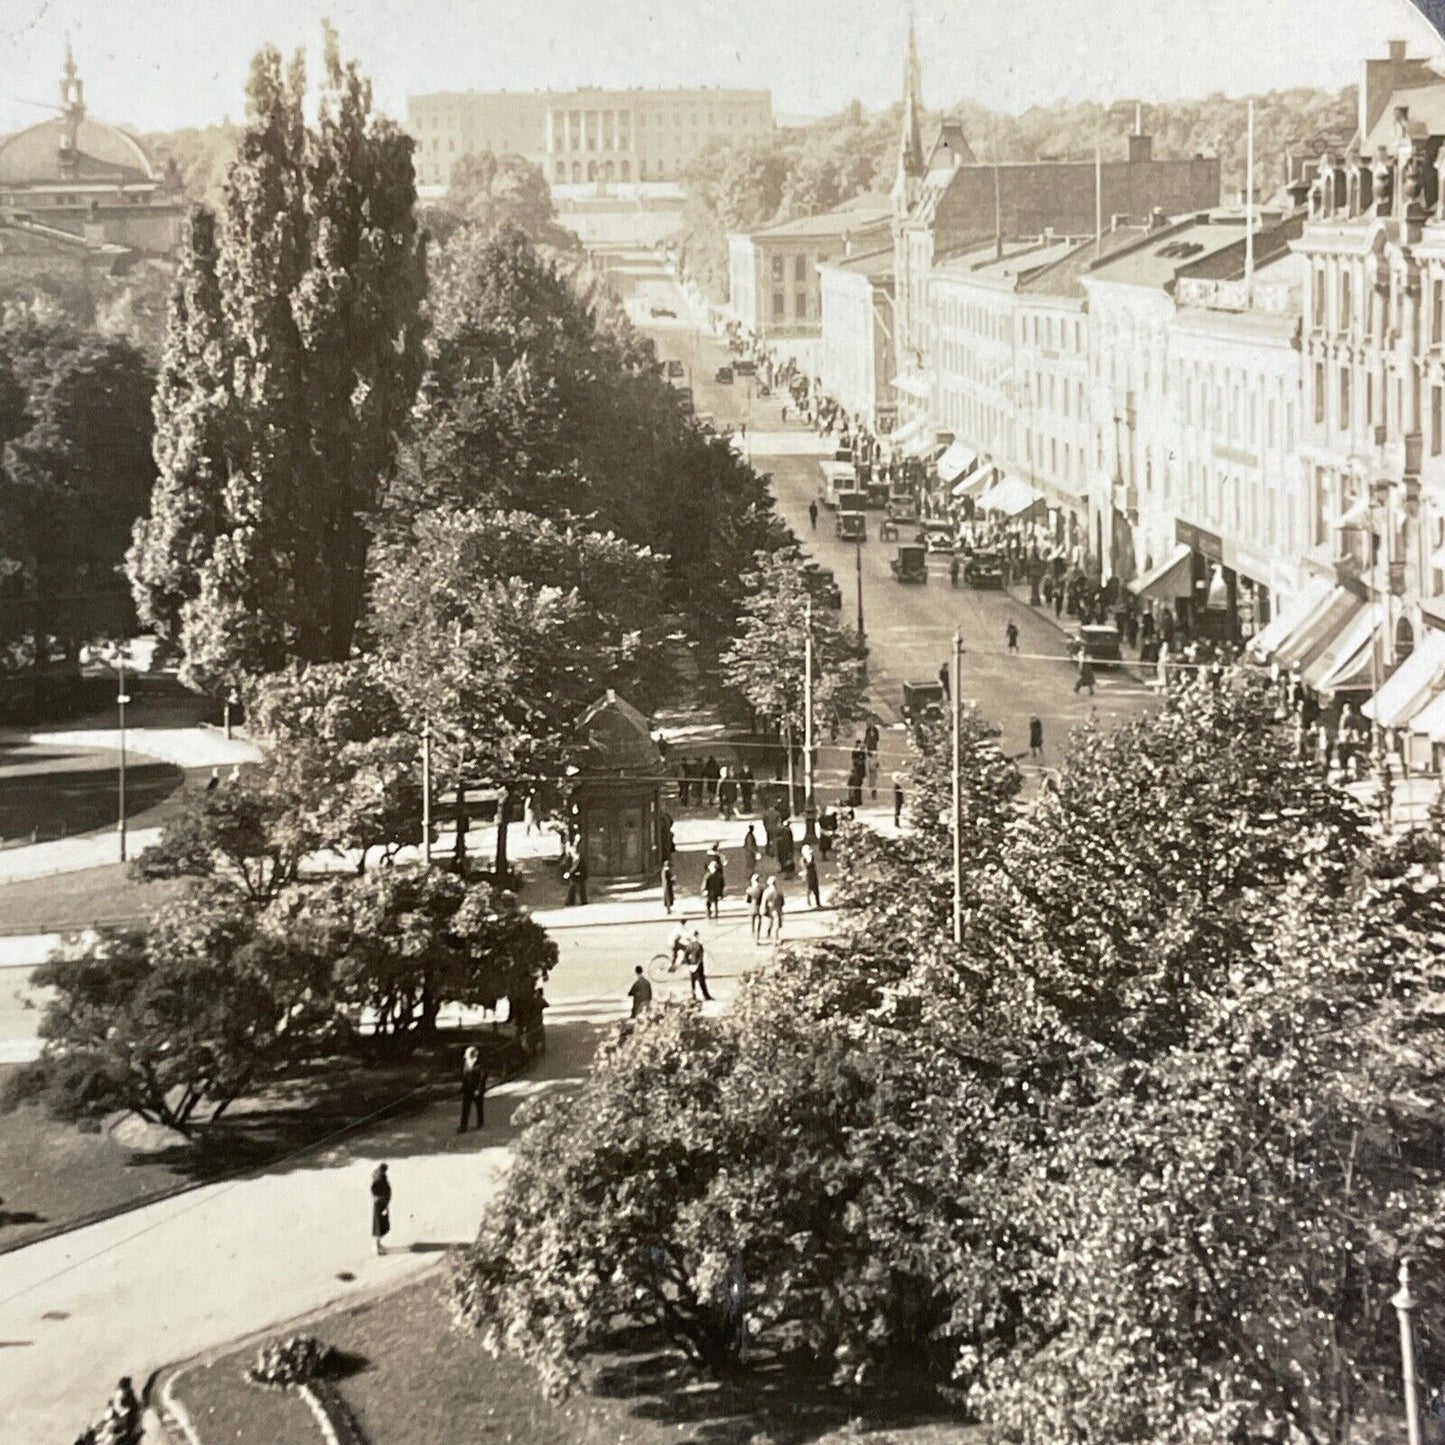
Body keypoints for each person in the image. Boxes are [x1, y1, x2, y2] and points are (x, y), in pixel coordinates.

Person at [459, 1045, 486, 1132]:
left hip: (476, 1089)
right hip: (468, 1089)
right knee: (465, 1108)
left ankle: (480, 1123)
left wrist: (479, 1089)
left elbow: (482, 1077)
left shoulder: (479, 1064)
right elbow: (464, 1076)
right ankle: (463, 1126)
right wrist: (463, 1087)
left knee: (479, 1107)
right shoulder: (466, 1063)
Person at [686, 929, 713, 1002]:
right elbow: (701, 956)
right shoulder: (699, 945)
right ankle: (706, 996)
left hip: (691, 966)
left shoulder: (689, 945)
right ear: (697, 936)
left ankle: (693, 996)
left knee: (693, 982)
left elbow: (686, 955)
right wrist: (697, 965)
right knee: (702, 982)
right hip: (698, 967)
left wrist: (689, 964)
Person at [370, 1163, 392, 1255]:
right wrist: (381, 1198)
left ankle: (379, 1245)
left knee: (381, 1224)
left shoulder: (379, 1177)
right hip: (380, 1204)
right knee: (380, 1225)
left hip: (381, 1203)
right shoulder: (380, 1179)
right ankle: (378, 1248)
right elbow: (375, 1189)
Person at [761, 875, 785, 941]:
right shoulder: (778, 891)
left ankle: (769, 934)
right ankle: (775, 938)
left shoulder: (767, 891)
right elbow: (782, 902)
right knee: (776, 924)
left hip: (769, 909)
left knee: (770, 922)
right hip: (777, 909)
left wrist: (763, 909)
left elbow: (764, 901)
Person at [802, 840, 822, 908]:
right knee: (809, 889)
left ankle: (818, 903)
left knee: (816, 889)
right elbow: (806, 866)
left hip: (813, 874)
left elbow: (814, 865)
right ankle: (809, 903)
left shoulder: (812, 857)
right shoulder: (803, 859)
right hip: (808, 875)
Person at [746, 871, 764, 943]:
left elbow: (748, 900)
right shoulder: (762, 889)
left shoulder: (749, 890)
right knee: (759, 922)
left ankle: (753, 934)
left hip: (752, 907)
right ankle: (757, 936)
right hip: (759, 907)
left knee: (752, 922)